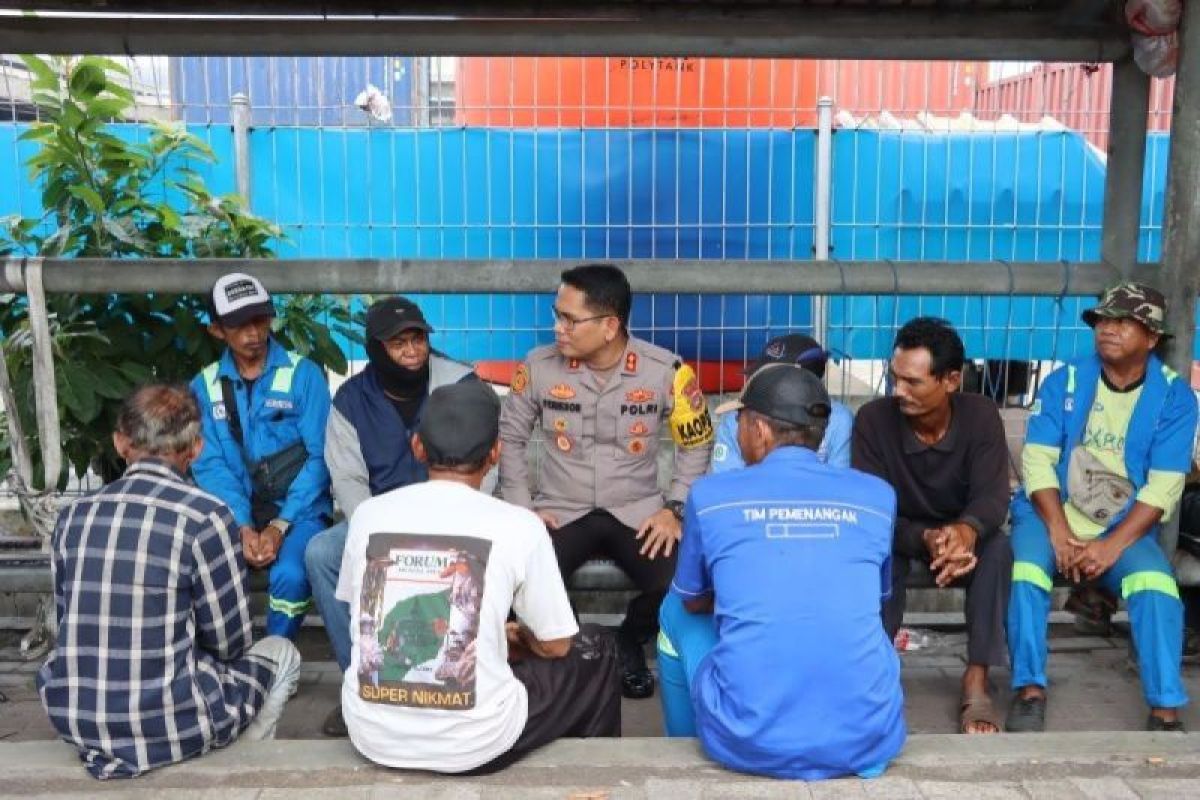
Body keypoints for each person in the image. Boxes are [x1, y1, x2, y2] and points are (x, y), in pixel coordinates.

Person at [337, 380, 620, 773]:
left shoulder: (369, 515)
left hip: (371, 735)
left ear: (418, 447)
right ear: (495, 453)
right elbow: (556, 646)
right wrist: (515, 636)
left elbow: (366, 615)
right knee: (598, 648)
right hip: (474, 745)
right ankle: (596, 775)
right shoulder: (519, 525)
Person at [37, 384, 301, 779]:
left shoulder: (73, 516)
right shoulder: (205, 517)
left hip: (76, 718)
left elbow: (68, 620)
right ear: (195, 449)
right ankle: (238, 768)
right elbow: (231, 643)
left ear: (120, 443)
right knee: (282, 653)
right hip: (171, 721)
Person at [657, 364, 905, 780]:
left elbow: (696, 600)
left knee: (673, 610)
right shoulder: (877, 496)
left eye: (738, 421)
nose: (736, 432)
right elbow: (877, 601)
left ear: (760, 431)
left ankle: (684, 747)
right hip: (867, 740)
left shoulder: (711, 496)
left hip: (748, 742)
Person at [499, 263, 715, 699]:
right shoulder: (538, 368)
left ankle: (628, 639)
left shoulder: (666, 371)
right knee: (513, 573)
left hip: (638, 511)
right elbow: (510, 438)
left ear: (610, 325)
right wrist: (523, 510)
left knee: (689, 576)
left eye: (569, 319)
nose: (558, 328)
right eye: (557, 315)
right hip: (560, 510)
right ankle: (572, 646)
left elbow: (697, 443)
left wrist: (674, 509)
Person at [1007, 283, 1196, 733]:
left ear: (1151, 337)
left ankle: (1165, 708)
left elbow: (1165, 487)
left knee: (1157, 585)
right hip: (1049, 512)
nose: (1107, 329)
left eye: (1122, 322)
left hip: (1122, 526)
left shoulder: (1174, 396)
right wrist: (1056, 529)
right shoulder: (1067, 380)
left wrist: (1110, 548)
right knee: (1026, 574)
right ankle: (1029, 690)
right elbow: (1036, 459)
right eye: (1102, 321)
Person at [306, 295, 482, 737]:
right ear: (374, 349)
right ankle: (360, 683)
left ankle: (460, 681)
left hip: (457, 513)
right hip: (382, 522)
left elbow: (489, 464)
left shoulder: (461, 383)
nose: (411, 350)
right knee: (322, 552)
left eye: (417, 338)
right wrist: (387, 540)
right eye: (397, 342)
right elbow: (348, 484)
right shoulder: (349, 401)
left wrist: (456, 517)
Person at [852, 317, 1012, 735]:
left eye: (913, 382)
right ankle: (875, 676)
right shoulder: (872, 420)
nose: (898, 391)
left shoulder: (980, 416)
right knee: (874, 553)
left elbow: (994, 497)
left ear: (951, 380)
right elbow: (870, 510)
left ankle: (976, 680)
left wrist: (966, 531)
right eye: (894, 378)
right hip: (900, 534)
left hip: (963, 540)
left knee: (998, 549)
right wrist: (925, 538)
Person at [190, 272, 332, 640]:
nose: (254, 332)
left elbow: (321, 457)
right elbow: (209, 464)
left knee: (291, 576)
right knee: (202, 571)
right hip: (232, 515)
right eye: (240, 324)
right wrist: (241, 525)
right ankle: (224, 660)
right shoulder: (204, 386)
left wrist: (280, 525)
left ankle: (275, 660)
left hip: (300, 511)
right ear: (217, 331)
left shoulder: (304, 376)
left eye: (261, 319)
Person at [710, 333, 852, 471]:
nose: (756, 383)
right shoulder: (737, 420)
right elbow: (728, 484)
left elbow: (839, 481)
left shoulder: (839, 418)